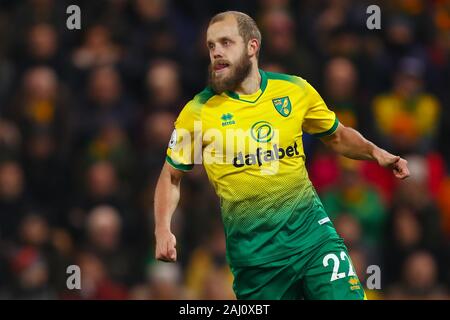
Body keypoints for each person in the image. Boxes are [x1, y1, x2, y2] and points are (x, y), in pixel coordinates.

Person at [153, 11, 410, 300]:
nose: (216, 52)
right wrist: (163, 229)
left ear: (252, 46)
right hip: (256, 261)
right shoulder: (198, 111)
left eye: (226, 42)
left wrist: (375, 152)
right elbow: (171, 176)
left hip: (313, 238)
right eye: (211, 46)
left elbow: (336, 135)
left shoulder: (294, 90)